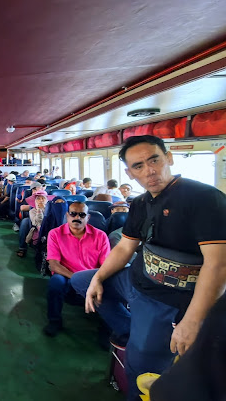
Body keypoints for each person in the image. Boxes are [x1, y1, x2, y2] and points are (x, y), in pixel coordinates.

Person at [70, 135, 226, 400]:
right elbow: (124, 248)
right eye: (138, 166)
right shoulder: (141, 203)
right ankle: (130, 328)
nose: (149, 171)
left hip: (168, 299)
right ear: (130, 173)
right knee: (81, 281)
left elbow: (218, 264)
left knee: (140, 367)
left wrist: (192, 320)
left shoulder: (205, 199)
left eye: (154, 160)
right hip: (136, 279)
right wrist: (98, 277)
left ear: (169, 158)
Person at [44, 201, 110, 337]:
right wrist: (76, 278)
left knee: (111, 286)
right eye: (73, 214)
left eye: (82, 215)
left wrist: (95, 280)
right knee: (56, 283)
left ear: (88, 218)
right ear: (67, 215)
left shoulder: (100, 236)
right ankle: (54, 321)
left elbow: (106, 265)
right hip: (66, 274)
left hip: (92, 277)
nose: (77, 217)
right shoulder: (55, 234)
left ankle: (106, 330)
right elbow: (54, 265)